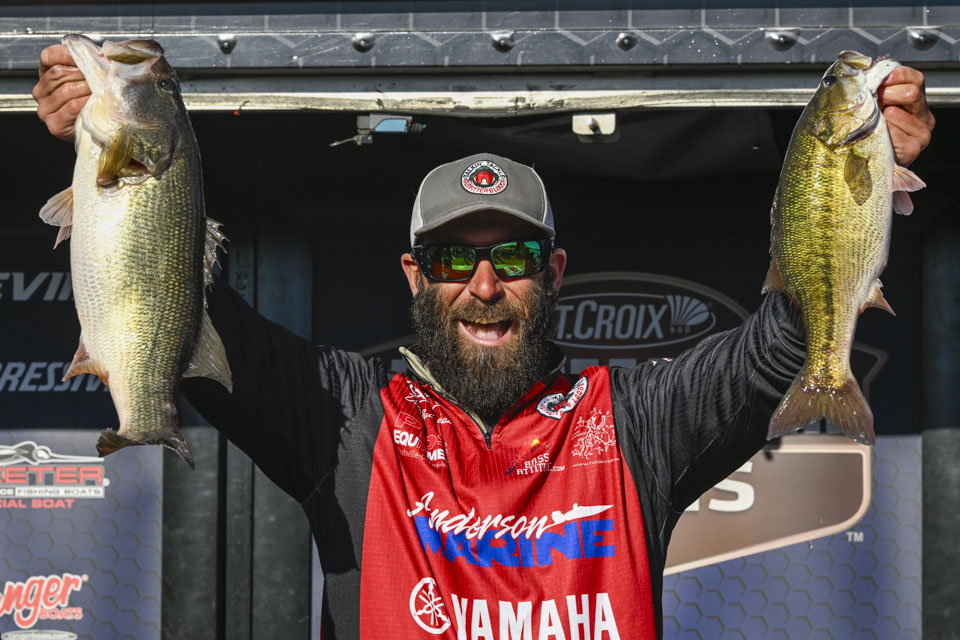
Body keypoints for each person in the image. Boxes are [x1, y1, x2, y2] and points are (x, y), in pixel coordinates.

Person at [34, 45, 935, 639]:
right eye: (452, 259)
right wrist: (117, 144)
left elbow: (784, 341)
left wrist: (860, 171)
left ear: (555, 272)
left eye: (514, 255)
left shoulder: (638, 420)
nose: (485, 284)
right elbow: (177, 307)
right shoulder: (345, 418)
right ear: (413, 275)